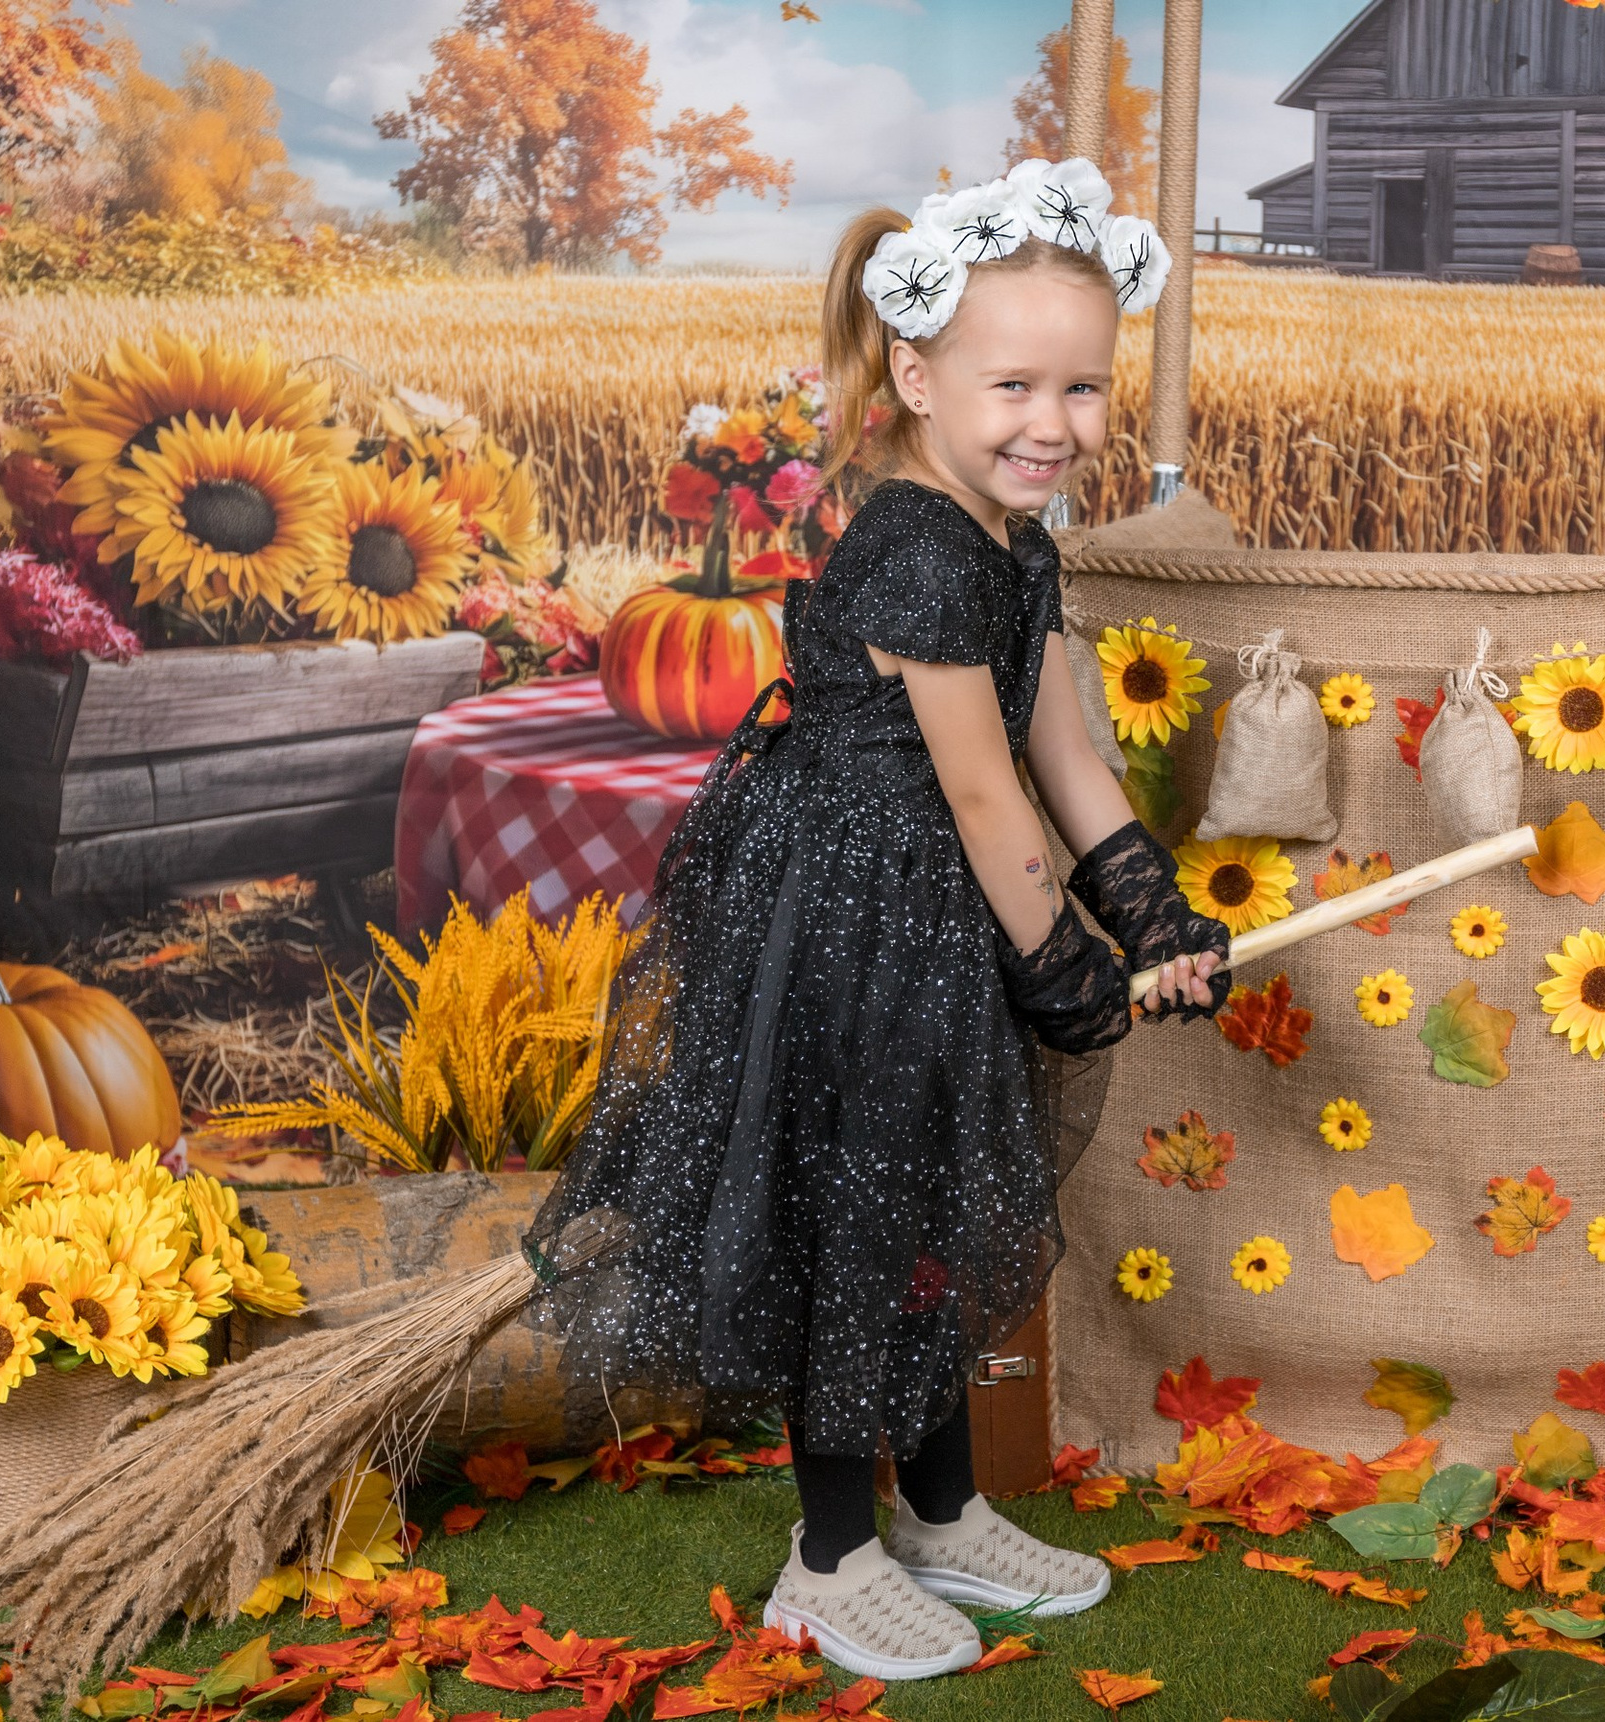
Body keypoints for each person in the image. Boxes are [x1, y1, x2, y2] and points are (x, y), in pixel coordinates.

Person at [520, 158, 1228, 1682]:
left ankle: (945, 1507)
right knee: (858, 1224)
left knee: (925, 1213)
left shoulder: (1013, 545)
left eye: (1086, 386)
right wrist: (1061, 971)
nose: (1056, 422)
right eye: (1016, 383)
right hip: (850, 913)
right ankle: (831, 1557)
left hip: (934, 911)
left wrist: (1152, 913)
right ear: (916, 374)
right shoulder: (916, 543)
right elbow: (984, 797)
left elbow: (1064, 758)